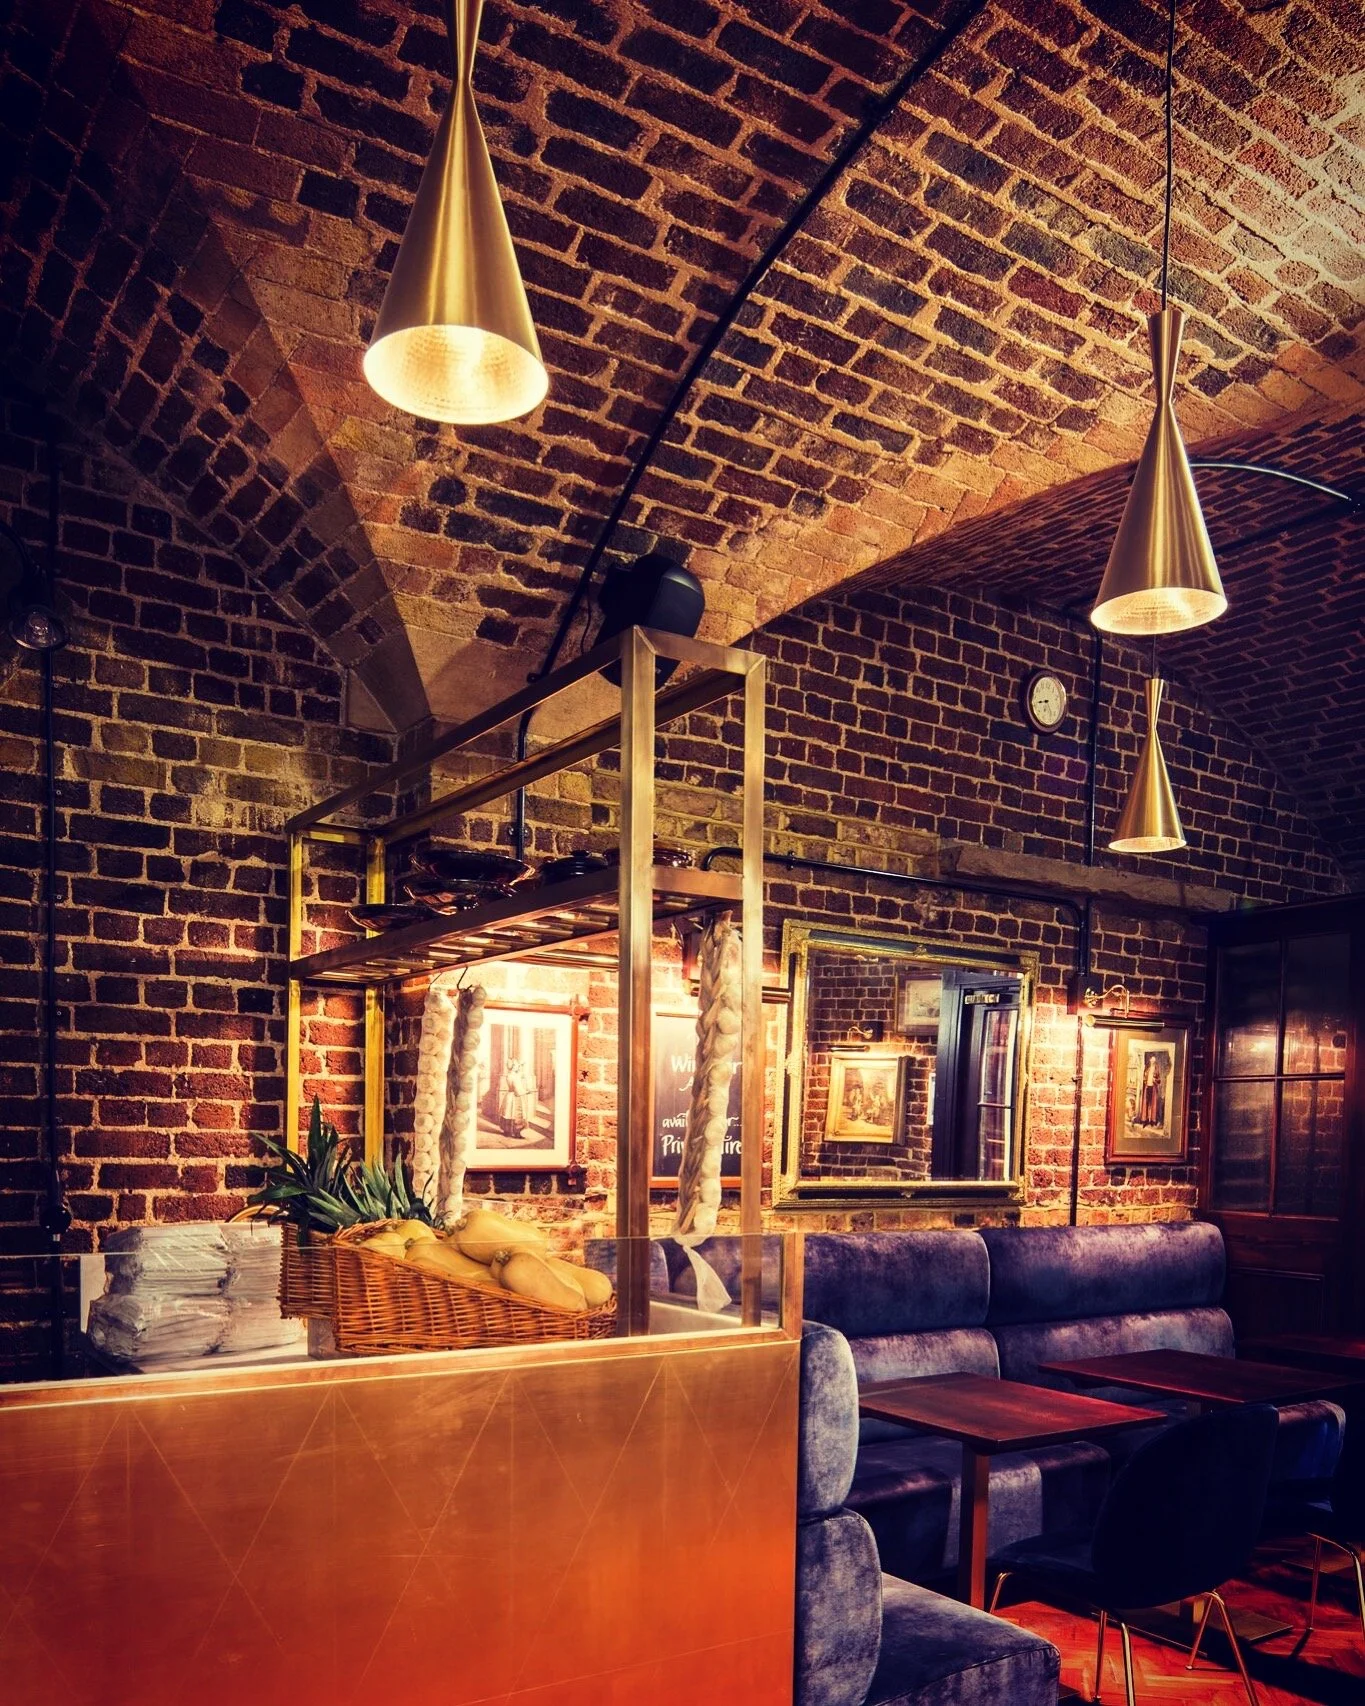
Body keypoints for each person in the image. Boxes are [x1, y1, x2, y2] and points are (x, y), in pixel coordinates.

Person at [500, 1055, 535, 1139]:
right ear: (512, 1067)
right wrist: (527, 1091)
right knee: (517, 1115)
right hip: (516, 1097)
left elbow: (519, 1077)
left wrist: (521, 1066)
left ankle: (507, 1132)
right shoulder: (515, 1076)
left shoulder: (509, 1075)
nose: (518, 1067)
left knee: (508, 1114)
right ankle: (517, 1133)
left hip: (509, 1096)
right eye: (516, 1065)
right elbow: (518, 1090)